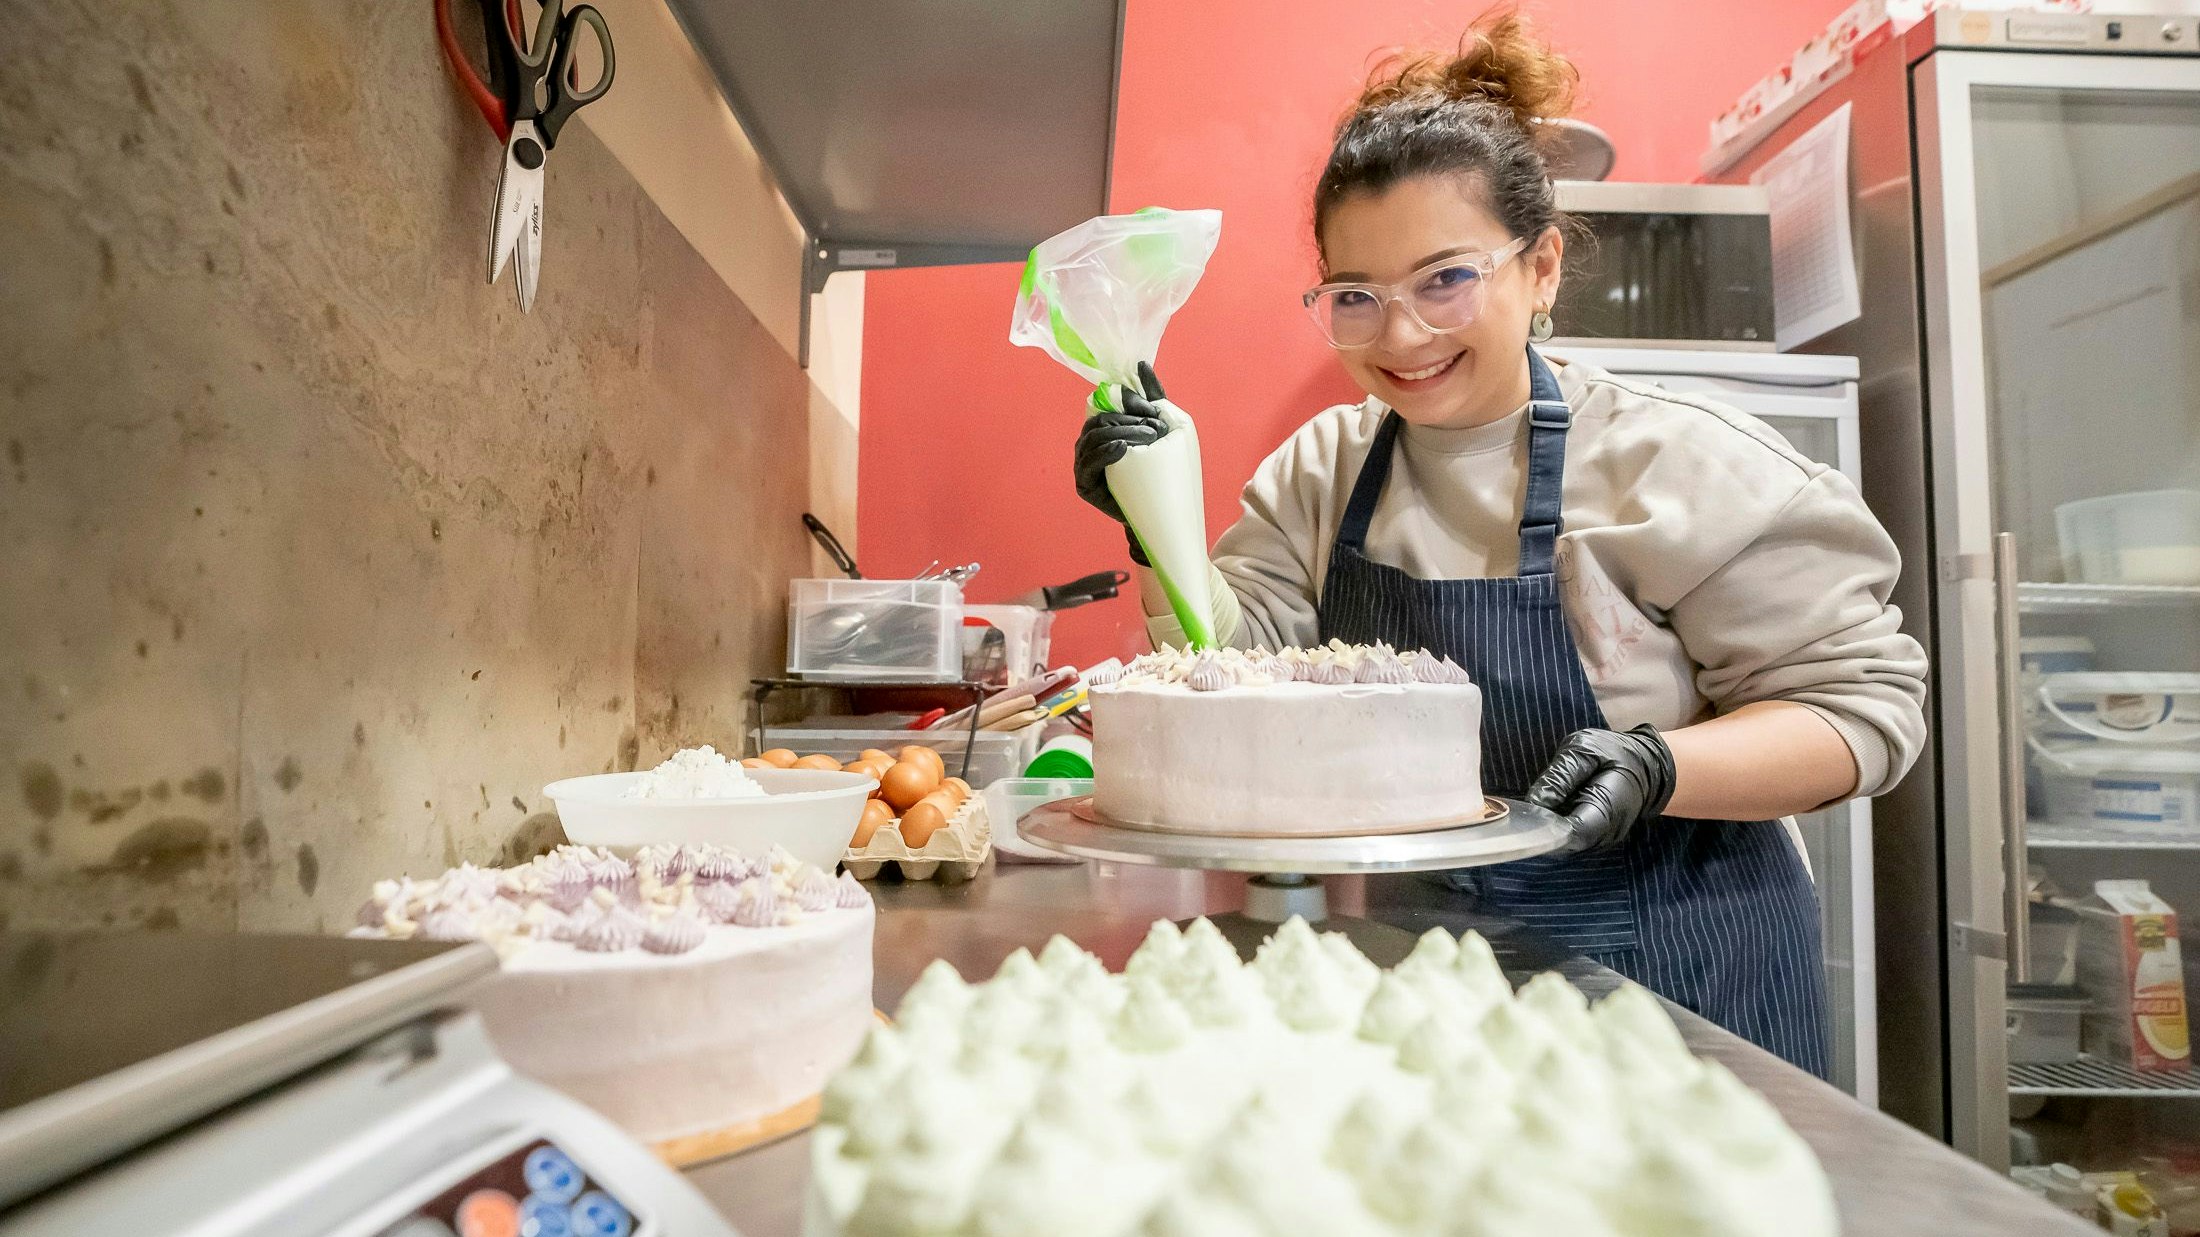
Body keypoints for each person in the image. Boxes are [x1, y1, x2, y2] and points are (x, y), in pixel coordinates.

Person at [1071, 13, 1926, 1076]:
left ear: (1543, 267)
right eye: (1356, 298)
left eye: (1445, 280)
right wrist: (1150, 522)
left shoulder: (1674, 464)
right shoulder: (1320, 472)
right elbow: (1231, 671)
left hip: (1679, 971)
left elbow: (1862, 711)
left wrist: (1658, 765)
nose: (1402, 336)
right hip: (1418, 980)